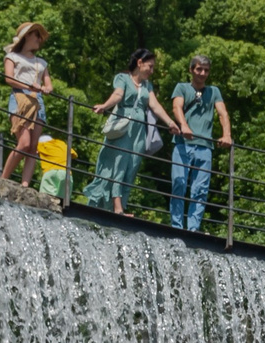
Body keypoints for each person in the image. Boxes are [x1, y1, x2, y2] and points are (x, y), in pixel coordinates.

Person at [86, 49, 174, 217]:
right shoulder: (123, 78)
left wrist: (171, 123)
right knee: (119, 163)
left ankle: (119, 206)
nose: (152, 70)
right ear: (139, 63)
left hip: (139, 130)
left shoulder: (148, 86)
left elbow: (155, 106)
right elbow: (118, 95)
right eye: (150, 66)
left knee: (131, 166)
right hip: (123, 126)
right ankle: (117, 207)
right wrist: (104, 106)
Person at [166, 56, 230, 234]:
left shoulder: (214, 91)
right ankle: (176, 226)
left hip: (205, 147)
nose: (202, 73)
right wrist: (184, 126)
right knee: (179, 183)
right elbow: (176, 107)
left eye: (206, 70)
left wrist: (227, 135)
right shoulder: (182, 87)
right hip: (182, 144)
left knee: (200, 190)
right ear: (191, 70)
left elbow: (222, 113)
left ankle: (194, 228)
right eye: (199, 69)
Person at [1, 22, 52, 189]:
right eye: (36, 35)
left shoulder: (42, 63)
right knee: (23, 143)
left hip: (38, 102)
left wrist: (45, 89)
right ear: (27, 36)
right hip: (20, 98)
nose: (39, 39)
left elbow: (49, 85)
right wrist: (30, 86)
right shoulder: (12, 57)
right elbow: (8, 78)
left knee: (33, 147)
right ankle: (3, 178)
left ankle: (24, 185)